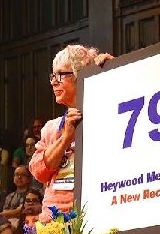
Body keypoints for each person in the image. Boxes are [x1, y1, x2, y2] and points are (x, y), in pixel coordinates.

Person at [29, 44, 112, 221]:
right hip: (53, 221)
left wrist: (115, 73)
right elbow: (38, 171)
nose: (53, 81)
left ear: (80, 75)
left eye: (60, 75)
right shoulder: (51, 127)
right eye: (52, 76)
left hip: (94, 217)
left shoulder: (107, 115)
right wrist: (65, 137)